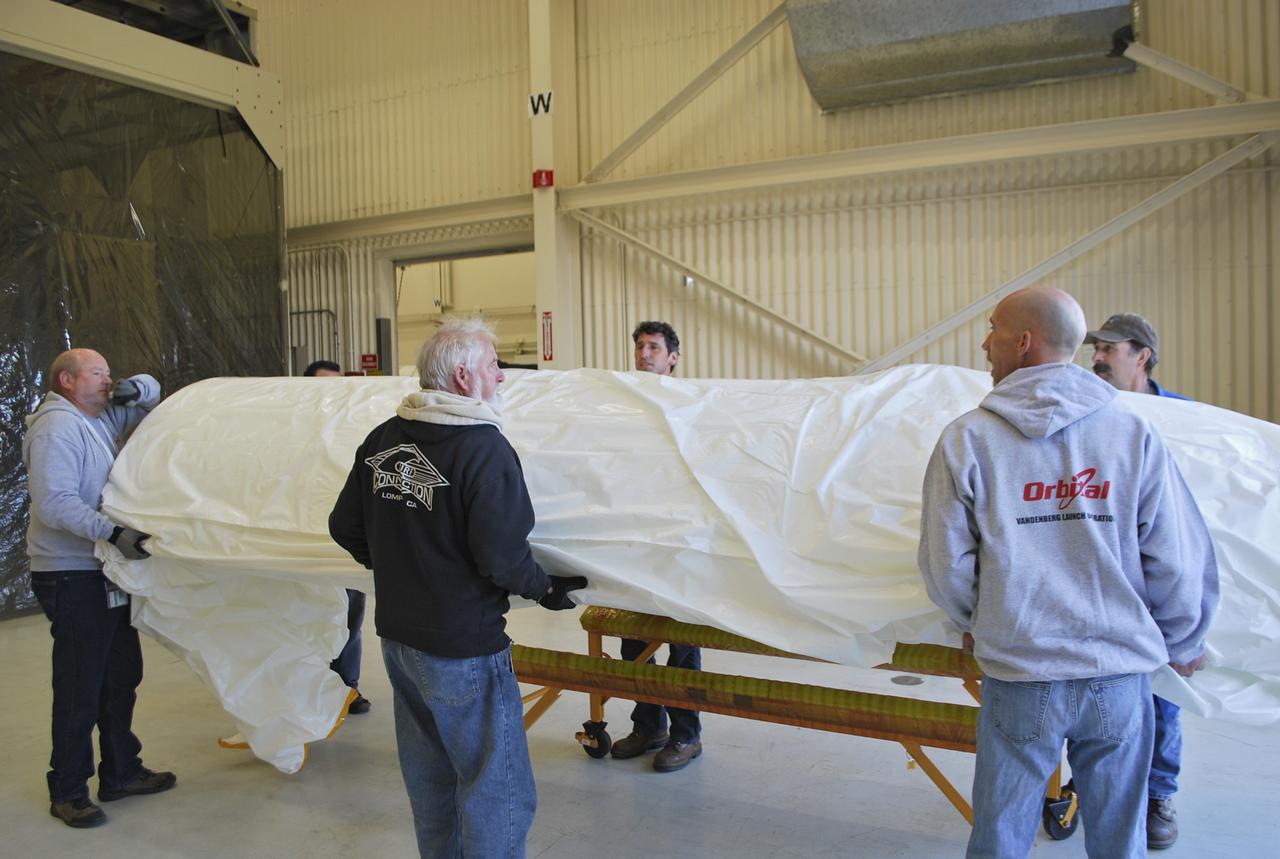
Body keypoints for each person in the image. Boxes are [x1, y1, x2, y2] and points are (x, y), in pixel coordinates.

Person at [918, 288, 1218, 858]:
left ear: (1024, 342)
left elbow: (945, 564)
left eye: (993, 329)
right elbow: (1176, 556)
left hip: (1022, 672)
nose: (985, 343)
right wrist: (1182, 638)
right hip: (1117, 673)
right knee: (1119, 841)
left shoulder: (969, 439)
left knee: (1001, 836)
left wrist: (979, 620)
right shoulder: (1131, 433)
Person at [329, 318, 585, 858]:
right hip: (463, 647)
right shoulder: (483, 448)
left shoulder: (383, 438)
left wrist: (405, 569)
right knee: (497, 789)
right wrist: (547, 591)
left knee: (433, 785)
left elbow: (344, 527)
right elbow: (501, 557)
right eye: (496, 366)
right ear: (466, 376)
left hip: (398, 642)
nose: (503, 378)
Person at [23, 348, 177, 829]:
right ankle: (68, 789)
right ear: (67, 380)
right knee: (80, 684)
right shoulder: (57, 427)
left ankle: (121, 771)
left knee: (120, 675)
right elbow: (54, 503)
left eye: (111, 372)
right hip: (71, 573)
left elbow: (154, 393)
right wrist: (111, 533)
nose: (109, 380)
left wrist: (139, 385)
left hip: (103, 570)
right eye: (98, 372)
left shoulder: (99, 414)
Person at [1084, 312, 1190, 849]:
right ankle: (1086, 782)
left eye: (1109, 348)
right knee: (1092, 692)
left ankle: (1157, 794)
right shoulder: (1087, 412)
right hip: (1104, 577)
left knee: (1161, 695)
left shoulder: (1185, 420)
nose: (1097, 358)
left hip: (1156, 581)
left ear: (1141, 355)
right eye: (1094, 349)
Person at [608, 321, 704, 773]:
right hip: (634, 542)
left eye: (654, 347)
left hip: (678, 544)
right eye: (640, 347)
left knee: (682, 644)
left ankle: (687, 735)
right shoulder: (621, 408)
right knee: (634, 639)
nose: (644, 354)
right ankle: (648, 726)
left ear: (673, 358)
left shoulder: (690, 409)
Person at [303, 359, 371, 714]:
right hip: (305, 542)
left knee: (351, 616)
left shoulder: (352, 429)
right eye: (324, 386)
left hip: (343, 542)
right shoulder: (299, 430)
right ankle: (310, 689)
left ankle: (348, 688)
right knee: (309, 617)